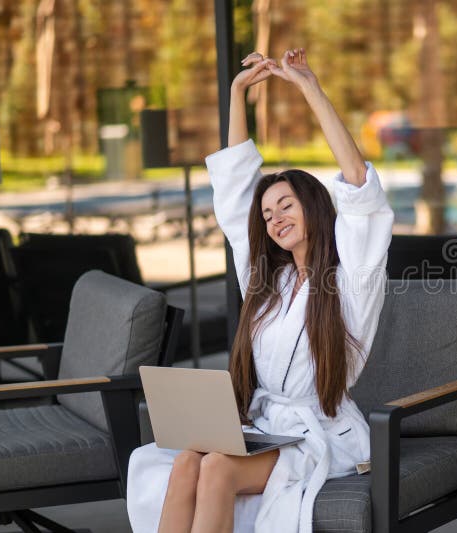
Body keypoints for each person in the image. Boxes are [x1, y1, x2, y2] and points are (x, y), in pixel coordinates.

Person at [127, 48, 394, 533]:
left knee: (216, 468)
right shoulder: (269, 281)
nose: (275, 220)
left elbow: (359, 186)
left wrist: (309, 87)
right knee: (185, 461)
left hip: (318, 436)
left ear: (314, 206)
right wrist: (236, 94)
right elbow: (235, 194)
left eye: (286, 205)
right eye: (268, 214)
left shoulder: (351, 278)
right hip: (262, 427)